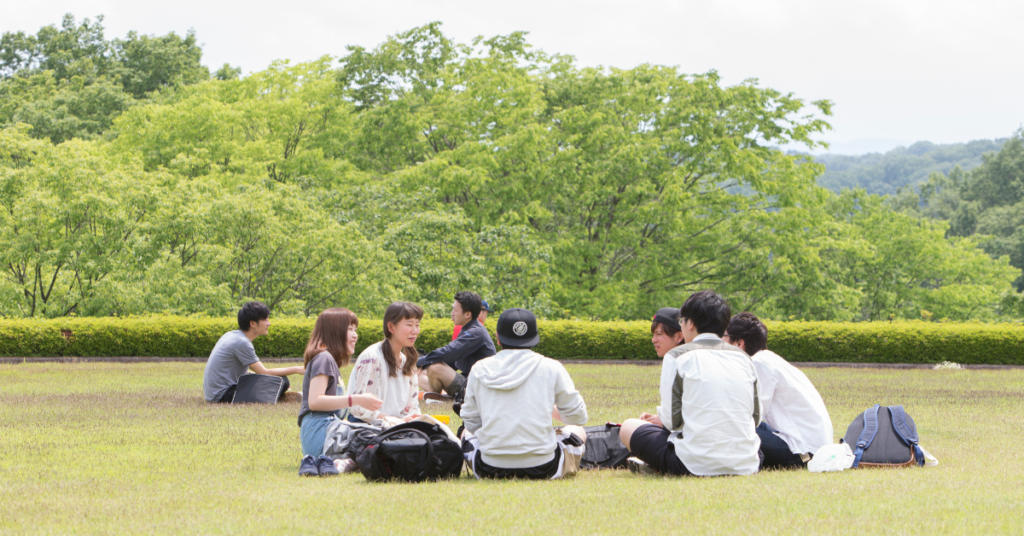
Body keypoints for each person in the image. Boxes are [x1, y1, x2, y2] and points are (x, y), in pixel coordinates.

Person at [619, 290, 762, 476]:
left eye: (682, 321)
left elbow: (672, 422)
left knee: (628, 427)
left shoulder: (677, 356)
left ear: (690, 323)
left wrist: (663, 420)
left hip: (692, 464)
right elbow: (756, 418)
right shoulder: (744, 358)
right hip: (747, 462)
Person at [460, 307, 589, 479]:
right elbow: (578, 417)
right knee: (577, 430)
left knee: (465, 433)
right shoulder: (552, 367)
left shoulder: (478, 369)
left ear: (497, 338)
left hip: (490, 468)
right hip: (545, 467)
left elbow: (471, 423)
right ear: (535, 338)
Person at [724, 312, 833, 469]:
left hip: (804, 452)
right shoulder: (769, 359)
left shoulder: (759, 364)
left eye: (724, 337)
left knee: (730, 428)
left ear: (739, 343)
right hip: (807, 443)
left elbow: (752, 414)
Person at [298, 308, 384, 476]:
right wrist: (356, 399)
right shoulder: (324, 358)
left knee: (378, 432)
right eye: (349, 329)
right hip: (321, 434)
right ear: (334, 331)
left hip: (324, 433)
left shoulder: (329, 360)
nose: (355, 335)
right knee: (380, 435)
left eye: (355, 329)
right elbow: (314, 401)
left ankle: (347, 461)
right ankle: (346, 461)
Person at [203, 301, 304, 403]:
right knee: (282, 380)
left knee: (278, 379)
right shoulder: (242, 342)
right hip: (224, 396)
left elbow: (250, 371)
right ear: (252, 323)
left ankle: (277, 396)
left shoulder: (232, 335)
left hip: (216, 393)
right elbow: (264, 372)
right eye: (265, 319)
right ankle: (278, 397)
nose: (269, 323)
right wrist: (297, 369)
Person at [347, 302, 424, 423]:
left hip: (394, 426)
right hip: (367, 426)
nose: (415, 331)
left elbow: (412, 408)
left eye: (417, 325)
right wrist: (399, 421)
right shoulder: (372, 358)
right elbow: (360, 410)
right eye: (409, 324)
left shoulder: (407, 361)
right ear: (391, 327)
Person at [418, 291, 497, 402]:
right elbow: (453, 362)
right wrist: (422, 364)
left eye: (455, 310)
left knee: (434, 367)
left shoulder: (475, 332)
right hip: (470, 383)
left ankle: (438, 398)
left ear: (467, 314)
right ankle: (438, 396)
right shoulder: (468, 329)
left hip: (478, 389)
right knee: (421, 372)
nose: (452, 313)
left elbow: (449, 352)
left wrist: (420, 361)